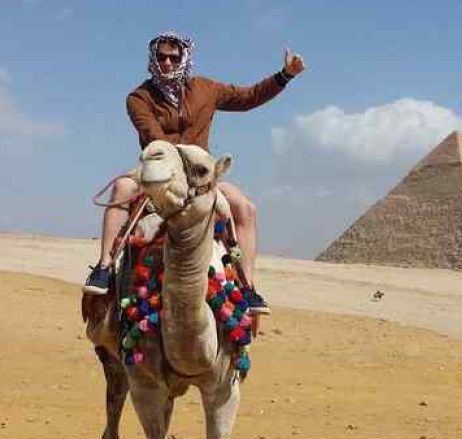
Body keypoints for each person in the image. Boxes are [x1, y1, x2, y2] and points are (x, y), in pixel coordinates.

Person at [83, 31, 306, 315]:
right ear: (153, 58)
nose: (167, 62)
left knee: (245, 208)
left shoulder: (205, 89)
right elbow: (152, 134)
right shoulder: (139, 98)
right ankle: (104, 267)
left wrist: (285, 76)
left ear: (184, 58)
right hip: (161, 168)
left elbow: (248, 97)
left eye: (173, 57)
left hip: (200, 172)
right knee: (122, 189)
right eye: (161, 57)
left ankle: (247, 285)